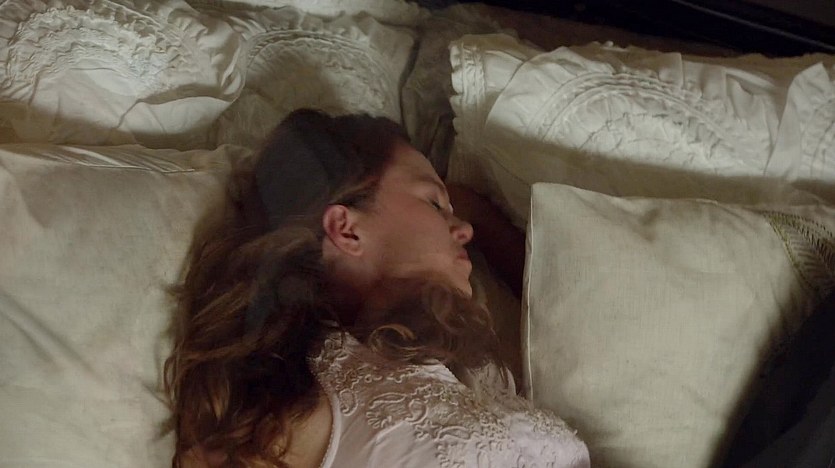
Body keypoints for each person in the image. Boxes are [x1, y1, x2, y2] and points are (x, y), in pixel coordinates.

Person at [164, 109, 590, 467]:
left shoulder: (476, 373)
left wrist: (475, 209)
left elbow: (565, 304)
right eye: (434, 203)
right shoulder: (291, 408)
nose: (465, 229)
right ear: (346, 229)